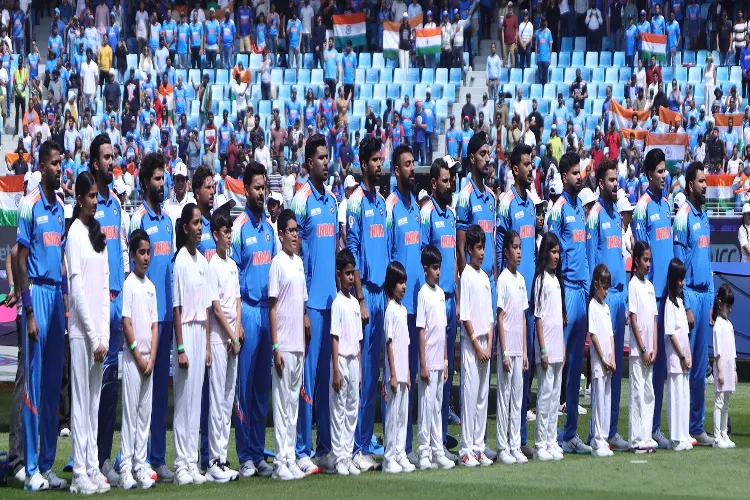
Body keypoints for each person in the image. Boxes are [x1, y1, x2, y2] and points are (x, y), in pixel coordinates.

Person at [17, 141, 68, 491]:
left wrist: (64, 302)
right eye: (53, 163)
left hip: (56, 294)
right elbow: (19, 259)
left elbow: (61, 258)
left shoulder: (62, 207)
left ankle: (47, 464)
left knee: (52, 386)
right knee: (33, 386)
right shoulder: (28, 204)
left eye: (61, 163)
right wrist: (29, 310)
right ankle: (30, 467)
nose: (59, 168)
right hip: (35, 293)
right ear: (41, 167)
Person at [292, 134, 339, 474]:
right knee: (307, 378)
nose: (326, 162)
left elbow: (335, 253)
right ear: (309, 163)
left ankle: (324, 447)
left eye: (327, 156)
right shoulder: (301, 200)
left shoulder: (334, 200)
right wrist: (302, 304)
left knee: (326, 378)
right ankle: (301, 449)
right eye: (321, 157)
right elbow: (295, 254)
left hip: (331, 300)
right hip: (309, 305)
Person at [129, 152, 175, 482]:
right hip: (143, 319)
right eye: (158, 179)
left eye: (165, 178)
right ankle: (133, 457)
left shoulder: (169, 221)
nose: (163, 183)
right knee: (137, 393)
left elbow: (168, 270)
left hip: (166, 320)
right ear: (146, 182)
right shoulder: (137, 218)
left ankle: (156, 458)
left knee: (160, 394)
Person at [66, 171, 111, 494]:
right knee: (81, 404)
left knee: (94, 402)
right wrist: (94, 336)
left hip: (99, 336)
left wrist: (106, 335)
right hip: (82, 334)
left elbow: (105, 287)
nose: (96, 201)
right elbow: (77, 289)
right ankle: (79, 470)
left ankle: (92, 465)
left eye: (98, 196)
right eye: (91, 196)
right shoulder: (74, 235)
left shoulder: (98, 235)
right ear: (79, 198)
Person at [348, 136, 389, 471]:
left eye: (380, 159)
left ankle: (363, 442)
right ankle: (353, 446)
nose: (379, 164)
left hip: (382, 296)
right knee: (360, 375)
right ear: (363, 164)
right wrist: (360, 298)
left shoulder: (382, 203)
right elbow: (352, 254)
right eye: (374, 160)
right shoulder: (356, 202)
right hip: (364, 296)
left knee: (374, 375)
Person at [232, 160, 276, 478]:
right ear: (246, 189)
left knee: (262, 389)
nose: (262, 193)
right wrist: (236, 321)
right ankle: (244, 454)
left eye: (265, 188)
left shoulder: (270, 229)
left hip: (266, 313)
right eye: (257, 188)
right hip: (246, 311)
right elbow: (233, 276)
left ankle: (259, 453)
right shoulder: (239, 228)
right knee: (243, 389)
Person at [495, 144, 538, 458]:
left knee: (527, 368)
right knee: (509, 371)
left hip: (529, 294)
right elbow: (500, 251)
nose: (531, 168)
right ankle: (507, 439)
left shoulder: (533, 204)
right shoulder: (506, 203)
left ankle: (520, 436)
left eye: (532, 163)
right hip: (509, 296)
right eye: (525, 164)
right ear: (514, 168)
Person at [547, 152, 591, 454]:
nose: (580, 177)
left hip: (584, 291)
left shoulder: (581, 209)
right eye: (574, 173)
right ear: (564, 177)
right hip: (566, 292)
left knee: (576, 367)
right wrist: (559, 297)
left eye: (580, 172)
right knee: (556, 366)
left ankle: (571, 433)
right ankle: (549, 434)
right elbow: (551, 255)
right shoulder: (558, 209)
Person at [584, 158, 629, 452]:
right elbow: (591, 259)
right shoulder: (596, 214)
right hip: (603, 298)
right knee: (600, 367)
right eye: (611, 180)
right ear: (601, 183)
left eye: (617, 179)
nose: (616, 184)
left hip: (619, 297)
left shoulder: (617, 216)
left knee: (616, 367)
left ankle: (611, 430)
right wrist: (595, 298)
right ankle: (596, 433)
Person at [89, 135, 125, 485]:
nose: (111, 163)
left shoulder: (115, 204)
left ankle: (103, 458)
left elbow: (122, 254)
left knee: (111, 387)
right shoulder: (88, 205)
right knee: (91, 385)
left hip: (117, 303)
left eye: (113, 157)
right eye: (106, 158)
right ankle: (86, 459)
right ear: (93, 163)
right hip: (97, 304)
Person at [632, 148, 674, 450]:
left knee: (662, 365)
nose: (664, 175)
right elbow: (642, 252)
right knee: (646, 364)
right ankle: (642, 429)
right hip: (649, 295)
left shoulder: (668, 205)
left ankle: (655, 426)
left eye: (665, 171)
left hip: (668, 295)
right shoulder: (643, 207)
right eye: (659, 171)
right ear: (649, 175)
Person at [384, 145, 422, 462]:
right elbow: (387, 257)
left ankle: (406, 448)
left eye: (414, 163)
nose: (412, 169)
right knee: (394, 380)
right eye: (407, 165)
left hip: (415, 306)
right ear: (397, 171)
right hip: (396, 308)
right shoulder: (391, 206)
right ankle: (393, 447)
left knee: (409, 381)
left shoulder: (417, 209)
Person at [672, 161, 713, 446]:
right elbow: (678, 267)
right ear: (690, 185)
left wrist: (709, 301)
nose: (705, 185)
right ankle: (681, 428)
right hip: (689, 298)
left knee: (700, 368)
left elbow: (707, 264)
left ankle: (696, 426)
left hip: (704, 296)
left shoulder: (706, 217)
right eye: (700, 181)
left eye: (705, 181)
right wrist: (685, 304)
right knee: (684, 366)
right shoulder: (682, 217)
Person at [420, 157, 459, 460]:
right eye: (445, 181)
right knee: (429, 372)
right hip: (432, 300)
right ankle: (427, 443)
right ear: (434, 183)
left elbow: (454, 260)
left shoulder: (452, 213)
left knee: (446, 371)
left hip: (450, 300)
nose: (450, 184)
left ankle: (440, 440)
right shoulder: (427, 213)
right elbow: (424, 258)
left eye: (451, 180)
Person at [267, 209, 308, 481]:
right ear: (280, 234)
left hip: (298, 345)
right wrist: (275, 347)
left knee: (293, 404)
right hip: (283, 344)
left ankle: (290, 455)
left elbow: (301, 303)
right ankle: (280, 459)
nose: (295, 235)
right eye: (290, 231)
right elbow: (272, 307)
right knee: (282, 404)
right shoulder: (278, 263)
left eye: (296, 230)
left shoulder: (299, 263)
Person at [118, 230, 159, 490]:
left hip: (148, 362)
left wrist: (152, 358)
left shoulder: (152, 287)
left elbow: (155, 326)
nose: (145, 258)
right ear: (133, 255)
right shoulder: (129, 284)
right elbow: (126, 322)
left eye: (148, 252)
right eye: (141, 253)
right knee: (130, 415)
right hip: (134, 362)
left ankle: (140, 464)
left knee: (145, 416)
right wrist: (138, 355)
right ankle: (125, 468)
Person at [204, 209, 241, 482]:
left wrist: (238, 333)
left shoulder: (232, 265)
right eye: (224, 232)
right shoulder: (213, 265)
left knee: (228, 400)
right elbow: (216, 308)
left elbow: (236, 302)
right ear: (215, 235)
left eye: (230, 231)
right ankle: (213, 458)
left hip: (233, 340)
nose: (228, 235)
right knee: (217, 400)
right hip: (219, 339)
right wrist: (230, 335)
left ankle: (223, 456)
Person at [457, 224, 494, 467]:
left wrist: (489, 345)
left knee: (482, 396)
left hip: (485, 344)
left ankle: (479, 447)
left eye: (484, 248)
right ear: (469, 249)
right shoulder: (467, 275)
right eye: (478, 248)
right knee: (469, 396)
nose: (482, 253)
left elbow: (490, 317)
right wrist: (477, 346)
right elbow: (466, 315)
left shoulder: (485, 277)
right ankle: (466, 448)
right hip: (472, 345)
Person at [415, 245, 454, 470]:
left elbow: (444, 329)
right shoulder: (423, 294)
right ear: (425, 269)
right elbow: (422, 330)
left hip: (440, 360)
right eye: (434, 268)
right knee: (426, 405)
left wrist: (447, 360)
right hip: (428, 361)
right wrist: (423, 363)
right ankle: (424, 451)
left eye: (439, 268)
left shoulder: (440, 294)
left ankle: (437, 449)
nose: (438, 272)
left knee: (438, 404)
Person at [495, 229, 529, 465]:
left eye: (520, 248)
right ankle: (502, 446)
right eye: (515, 248)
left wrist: (525, 351)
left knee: (518, 398)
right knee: (504, 397)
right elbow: (500, 317)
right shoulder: (503, 279)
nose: (519, 252)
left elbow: (524, 318)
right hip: (507, 350)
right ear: (506, 252)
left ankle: (515, 444)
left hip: (520, 348)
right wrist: (504, 351)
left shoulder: (522, 280)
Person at [531, 232, 565, 462]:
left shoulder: (556, 281)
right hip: (546, 348)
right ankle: (540, 442)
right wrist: (542, 349)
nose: (557, 257)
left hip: (558, 347)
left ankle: (551, 439)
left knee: (554, 397)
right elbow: (539, 317)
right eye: (553, 252)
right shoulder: (541, 280)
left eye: (558, 252)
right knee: (544, 395)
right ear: (545, 253)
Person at [329, 249, 363, 476]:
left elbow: (358, 339)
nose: (351, 278)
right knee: (339, 410)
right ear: (339, 274)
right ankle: (338, 456)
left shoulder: (354, 304)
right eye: (347, 273)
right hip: (341, 360)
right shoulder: (338, 303)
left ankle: (348, 453)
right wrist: (336, 370)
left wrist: (359, 367)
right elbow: (335, 337)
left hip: (353, 361)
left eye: (353, 274)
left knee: (352, 410)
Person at [382, 261, 414, 474]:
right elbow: (390, 343)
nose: (403, 287)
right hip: (395, 374)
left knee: (403, 415)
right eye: (399, 283)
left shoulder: (403, 310)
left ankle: (400, 453)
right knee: (393, 416)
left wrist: (408, 373)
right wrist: (393, 374)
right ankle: (389, 457)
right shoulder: (391, 311)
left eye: (405, 283)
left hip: (404, 372)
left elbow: (407, 344)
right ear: (391, 285)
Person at [628, 241, 658, 453]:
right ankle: (636, 438)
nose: (648, 264)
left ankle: (647, 435)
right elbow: (634, 319)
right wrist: (644, 348)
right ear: (636, 261)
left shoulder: (650, 286)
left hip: (650, 351)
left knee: (649, 393)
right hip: (639, 352)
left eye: (650, 260)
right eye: (645, 260)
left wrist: (654, 347)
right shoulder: (633, 285)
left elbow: (654, 321)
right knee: (637, 393)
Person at [664, 258, 692, 451]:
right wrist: (681, 356)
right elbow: (671, 333)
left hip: (684, 360)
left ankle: (683, 434)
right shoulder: (669, 303)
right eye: (679, 279)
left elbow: (685, 333)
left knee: (684, 397)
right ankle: (675, 438)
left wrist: (687, 356)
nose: (682, 283)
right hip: (675, 360)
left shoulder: (680, 302)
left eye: (683, 279)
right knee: (675, 397)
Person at [587, 264, 615, 458]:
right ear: (596, 284)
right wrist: (604, 358)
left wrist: (612, 356)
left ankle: (604, 437)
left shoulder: (606, 308)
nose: (605, 292)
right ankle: (596, 439)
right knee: (598, 401)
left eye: (607, 288)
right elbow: (594, 335)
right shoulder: (593, 306)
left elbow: (610, 335)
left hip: (608, 362)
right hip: (599, 362)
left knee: (607, 400)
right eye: (603, 287)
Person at [712, 284, 737, 449]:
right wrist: (720, 371)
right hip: (722, 369)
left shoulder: (729, 325)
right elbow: (718, 352)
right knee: (719, 402)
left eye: (730, 306)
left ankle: (724, 433)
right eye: (727, 305)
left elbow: (732, 351)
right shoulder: (718, 325)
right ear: (720, 304)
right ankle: (716, 436)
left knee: (726, 403)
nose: (729, 309)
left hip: (729, 368)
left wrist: (734, 370)